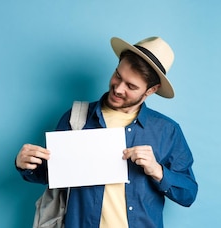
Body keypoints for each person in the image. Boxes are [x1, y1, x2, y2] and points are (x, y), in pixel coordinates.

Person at [15, 36, 198, 228]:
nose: (118, 89)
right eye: (118, 75)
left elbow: (188, 194)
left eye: (131, 86)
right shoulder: (76, 118)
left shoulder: (167, 131)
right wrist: (26, 164)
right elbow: (51, 175)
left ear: (151, 90)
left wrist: (157, 171)